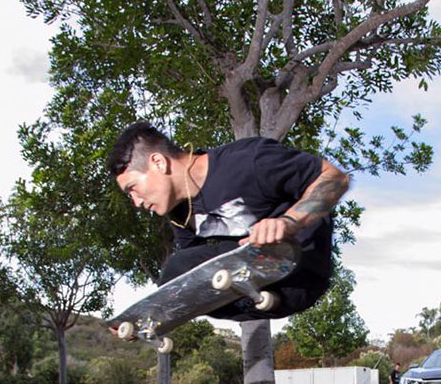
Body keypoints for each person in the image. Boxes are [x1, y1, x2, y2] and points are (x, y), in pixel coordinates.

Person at [106, 122, 351, 321]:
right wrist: (146, 316)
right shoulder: (179, 212)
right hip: (262, 293)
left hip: (300, 267)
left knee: (177, 267)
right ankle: (265, 299)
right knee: (178, 274)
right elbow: (193, 272)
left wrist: (289, 222)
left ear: (158, 163)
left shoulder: (247, 161)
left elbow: (335, 179)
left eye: (133, 189)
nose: (136, 202)